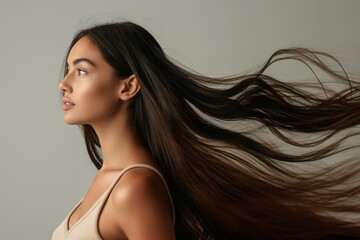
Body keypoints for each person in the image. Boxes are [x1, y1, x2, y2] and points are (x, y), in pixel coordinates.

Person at [52, 21, 360, 240]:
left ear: (129, 86)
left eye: (81, 71)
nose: (63, 84)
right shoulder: (108, 180)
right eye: (67, 70)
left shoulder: (134, 188)